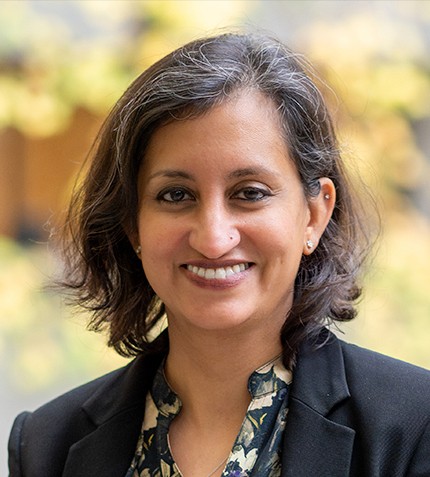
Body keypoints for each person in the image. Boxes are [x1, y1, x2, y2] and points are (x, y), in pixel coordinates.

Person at [8, 32, 430, 477]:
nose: (213, 239)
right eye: (176, 195)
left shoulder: (414, 427)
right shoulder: (48, 445)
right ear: (133, 223)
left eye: (249, 193)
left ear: (313, 214)